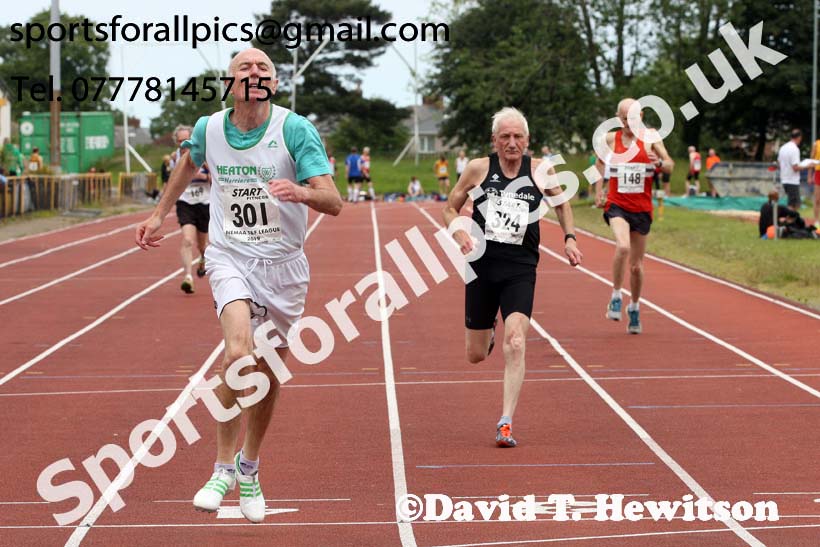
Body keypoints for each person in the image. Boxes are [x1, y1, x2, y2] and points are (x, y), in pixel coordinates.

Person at [135, 47, 343, 523]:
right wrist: (157, 214)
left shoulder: (294, 129)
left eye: (263, 68)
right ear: (229, 82)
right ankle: (221, 468)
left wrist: (302, 191)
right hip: (230, 257)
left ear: (273, 82)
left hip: (285, 267)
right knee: (237, 352)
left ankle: (250, 466)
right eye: (244, 68)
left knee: (268, 374)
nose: (254, 73)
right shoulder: (208, 128)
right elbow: (187, 165)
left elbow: (333, 200)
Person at [443, 107, 583, 448]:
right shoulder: (478, 168)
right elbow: (449, 207)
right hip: (481, 266)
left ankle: (505, 421)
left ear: (528, 140)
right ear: (494, 140)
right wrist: (459, 231)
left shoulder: (540, 171)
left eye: (518, 136)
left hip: (520, 269)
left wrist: (569, 238)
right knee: (475, 355)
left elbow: (563, 205)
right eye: (505, 137)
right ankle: (488, 329)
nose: (511, 143)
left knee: (517, 341)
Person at [595, 98, 674, 334]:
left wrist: (660, 162)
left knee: (637, 267)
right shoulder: (611, 139)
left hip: (641, 208)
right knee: (622, 247)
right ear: (618, 118)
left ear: (640, 117)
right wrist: (599, 190)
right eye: (624, 118)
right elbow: (599, 165)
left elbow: (670, 165)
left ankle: (635, 307)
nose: (628, 122)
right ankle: (616, 295)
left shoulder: (651, 138)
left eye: (633, 117)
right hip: (617, 204)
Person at [777, 129, 813, 211]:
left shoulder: (783, 147)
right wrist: (807, 166)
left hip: (784, 179)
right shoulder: (794, 149)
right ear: (799, 137)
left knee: (794, 203)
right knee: (793, 205)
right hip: (792, 180)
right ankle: (788, 221)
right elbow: (795, 167)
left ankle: (790, 220)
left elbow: (779, 163)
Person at [810, 137, 820, 227]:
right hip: (818, 173)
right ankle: (816, 221)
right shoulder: (816, 144)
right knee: (817, 199)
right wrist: (809, 176)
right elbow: (811, 161)